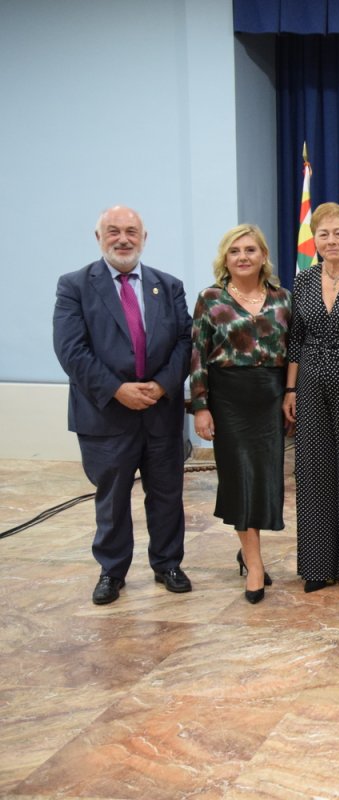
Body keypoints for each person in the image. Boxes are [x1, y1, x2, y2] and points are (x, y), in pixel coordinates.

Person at [53, 206, 193, 605]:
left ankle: (168, 563)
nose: (123, 239)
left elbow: (185, 341)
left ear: (144, 238)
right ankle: (112, 571)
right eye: (113, 231)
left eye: (131, 231)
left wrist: (162, 385)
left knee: (166, 494)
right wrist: (117, 390)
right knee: (112, 499)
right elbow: (71, 350)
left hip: (160, 412)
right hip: (105, 414)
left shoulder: (168, 286)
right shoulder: (75, 286)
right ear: (98, 237)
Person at [190, 224, 290, 604]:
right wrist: (201, 406)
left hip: (270, 399)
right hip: (228, 400)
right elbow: (197, 354)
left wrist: (290, 393)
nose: (243, 257)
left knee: (265, 482)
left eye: (250, 250)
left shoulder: (282, 298)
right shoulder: (210, 298)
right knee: (240, 481)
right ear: (225, 259)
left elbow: (293, 351)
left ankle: (247, 551)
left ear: (263, 256)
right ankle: (255, 564)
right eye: (235, 251)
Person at [283, 202, 339, 597]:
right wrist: (290, 389)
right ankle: (318, 565)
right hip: (309, 385)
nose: (331, 240)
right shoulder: (303, 280)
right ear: (314, 239)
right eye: (324, 233)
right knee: (313, 470)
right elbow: (296, 339)